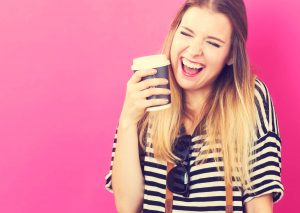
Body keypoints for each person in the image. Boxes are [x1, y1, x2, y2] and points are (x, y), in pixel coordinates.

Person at [105, 0, 284, 212]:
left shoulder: (249, 98)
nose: (194, 51)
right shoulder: (148, 91)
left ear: (231, 55)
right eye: (187, 34)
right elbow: (127, 207)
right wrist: (128, 120)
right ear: (174, 32)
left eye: (213, 43)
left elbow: (258, 206)